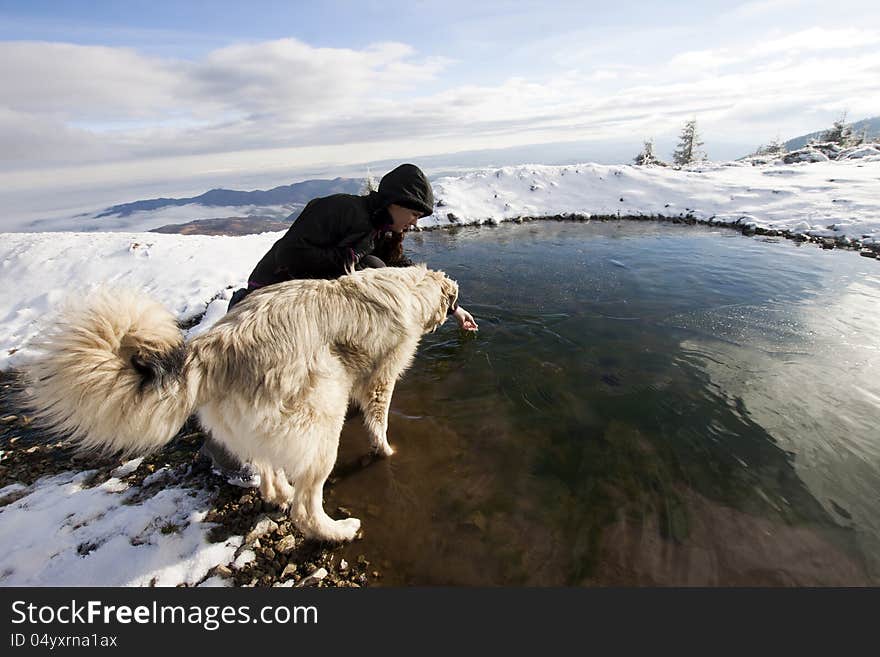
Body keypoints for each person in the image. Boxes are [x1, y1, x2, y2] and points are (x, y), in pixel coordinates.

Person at [202, 163, 478, 485]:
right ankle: (226, 454)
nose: (415, 223)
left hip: (315, 308)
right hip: (273, 302)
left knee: (373, 266)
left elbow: (403, 272)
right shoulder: (341, 210)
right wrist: (348, 262)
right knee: (263, 375)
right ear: (398, 202)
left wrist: (452, 307)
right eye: (415, 214)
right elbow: (290, 255)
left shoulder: (380, 229)